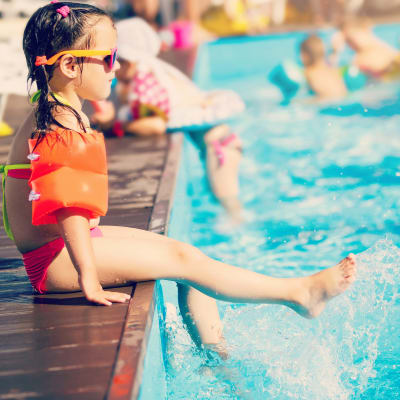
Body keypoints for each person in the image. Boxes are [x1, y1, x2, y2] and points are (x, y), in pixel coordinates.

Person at [1, 1, 356, 360]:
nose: (117, 67)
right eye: (108, 58)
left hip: (65, 248)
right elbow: (69, 208)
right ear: (68, 65)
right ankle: (298, 294)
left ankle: (218, 357)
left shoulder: (58, 107)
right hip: (55, 261)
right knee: (184, 262)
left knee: (187, 255)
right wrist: (88, 276)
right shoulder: (59, 121)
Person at [92, 17, 244, 220]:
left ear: (129, 60)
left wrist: (117, 125)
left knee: (231, 208)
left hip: (219, 147)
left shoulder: (145, 82)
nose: (113, 68)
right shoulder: (150, 72)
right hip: (219, 143)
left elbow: (156, 125)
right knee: (222, 203)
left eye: (113, 61)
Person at [333, 17, 400, 80]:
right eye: (347, 41)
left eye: (351, 38)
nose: (350, 44)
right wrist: (336, 52)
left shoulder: (377, 48)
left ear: (364, 29)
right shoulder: (359, 59)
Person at [300, 34, 347, 100]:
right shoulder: (333, 70)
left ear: (304, 56)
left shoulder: (308, 72)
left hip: (326, 104)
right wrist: (335, 51)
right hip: (344, 99)